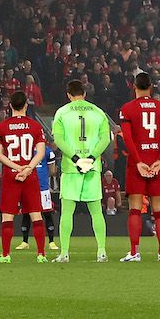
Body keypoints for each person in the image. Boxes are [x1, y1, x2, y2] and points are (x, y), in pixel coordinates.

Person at [50, 78, 112, 263]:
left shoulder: (62, 112)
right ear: (84, 94)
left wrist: (77, 159)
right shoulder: (98, 112)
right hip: (92, 168)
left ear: (68, 95)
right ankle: (101, 252)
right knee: (96, 211)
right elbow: (105, 139)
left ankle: (64, 253)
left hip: (71, 168)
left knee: (67, 212)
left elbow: (59, 140)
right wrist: (90, 159)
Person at [118, 69, 160, 261]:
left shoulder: (127, 108)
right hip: (156, 163)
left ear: (134, 86)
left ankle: (135, 252)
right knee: (158, 209)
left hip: (137, 164)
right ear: (151, 87)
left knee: (135, 208)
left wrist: (139, 162)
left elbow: (127, 139)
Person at [0, 89, 49, 262]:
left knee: (7, 216)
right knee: (36, 214)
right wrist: (28, 168)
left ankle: (5, 255)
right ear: (26, 105)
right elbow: (41, 153)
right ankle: (41, 254)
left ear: (10, 106)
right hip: (29, 175)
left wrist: (17, 168)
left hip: (11, 175)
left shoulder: (2, 127)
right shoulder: (35, 126)